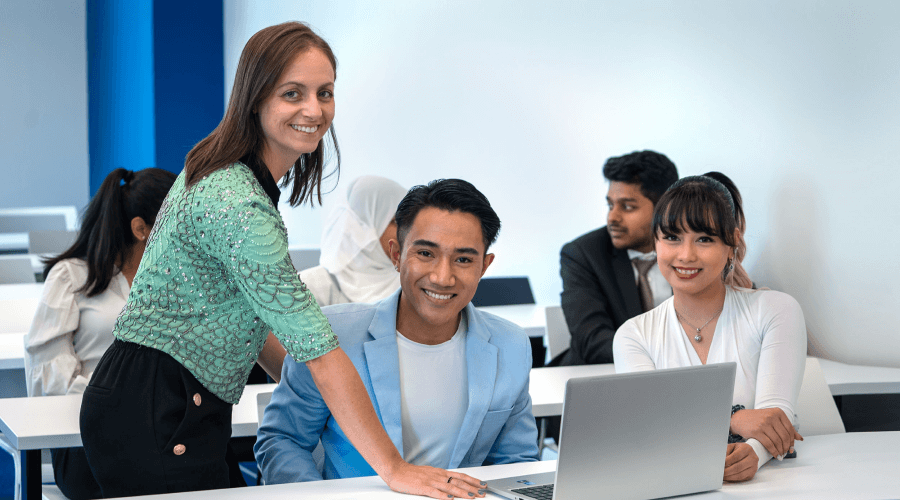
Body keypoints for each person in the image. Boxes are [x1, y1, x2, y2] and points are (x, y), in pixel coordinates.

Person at [78, 22, 484, 499]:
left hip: (167, 402)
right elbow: (319, 351)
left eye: (325, 93)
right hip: (157, 408)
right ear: (256, 98)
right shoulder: (239, 204)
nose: (314, 109)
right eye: (293, 93)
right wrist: (394, 469)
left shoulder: (233, 176)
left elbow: (256, 323)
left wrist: (310, 398)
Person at [256, 179, 539, 484]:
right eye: (426, 254)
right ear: (396, 255)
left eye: (463, 259)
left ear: (484, 266)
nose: (442, 277)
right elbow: (283, 442)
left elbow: (517, 462)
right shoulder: (332, 335)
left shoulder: (510, 345)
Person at [613, 174, 806, 482]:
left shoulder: (775, 310)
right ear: (655, 243)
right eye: (672, 237)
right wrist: (734, 418)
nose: (686, 255)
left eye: (704, 239)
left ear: (732, 244)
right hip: (674, 484)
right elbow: (651, 426)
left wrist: (754, 453)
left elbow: (775, 417)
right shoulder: (633, 335)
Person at [24, 167, 176, 500]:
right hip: (87, 436)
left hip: (165, 428)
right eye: (178, 221)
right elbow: (50, 379)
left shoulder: (175, 278)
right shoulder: (72, 276)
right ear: (141, 229)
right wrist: (120, 401)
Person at [553, 150, 679, 366]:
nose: (612, 217)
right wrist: (671, 355)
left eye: (627, 207)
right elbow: (592, 340)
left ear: (665, 208)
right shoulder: (583, 254)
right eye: (610, 205)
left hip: (679, 376)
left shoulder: (689, 249)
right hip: (602, 375)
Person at [299, 175, 406, 306]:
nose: (409, 232)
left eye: (411, 223)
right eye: (396, 222)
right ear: (365, 227)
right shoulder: (306, 288)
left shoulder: (411, 286)